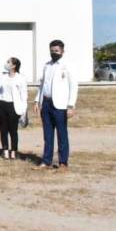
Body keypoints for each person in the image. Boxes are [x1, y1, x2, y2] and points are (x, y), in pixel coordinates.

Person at [34, 40, 78, 170]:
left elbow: (73, 86)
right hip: (46, 103)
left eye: (56, 51)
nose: (54, 53)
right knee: (47, 134)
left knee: (61, 133)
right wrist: (37, 100)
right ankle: (46, 161)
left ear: (62, 51)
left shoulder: (68, 65)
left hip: (60, 105)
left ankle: (63, 162)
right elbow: (42, 84)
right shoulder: (47, 65)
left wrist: (71, 105)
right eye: (52, 51)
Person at [0, 57, 28, 160]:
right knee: (3, 129)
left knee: (13, 130)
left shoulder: (20, 78)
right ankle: (5, 151)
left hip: (13, 106)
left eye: (8, 62)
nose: (6, 63)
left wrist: (24, 109)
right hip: (1, 105)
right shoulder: (3, 77)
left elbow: (24, 95)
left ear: (14, 65)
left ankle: (13, 151)